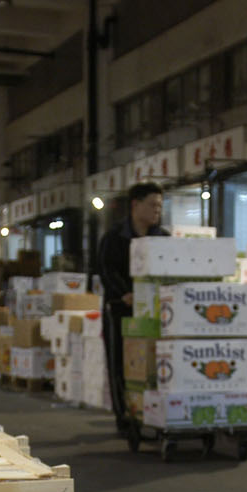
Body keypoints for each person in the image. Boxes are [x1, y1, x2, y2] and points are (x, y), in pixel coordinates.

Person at [95, 182, 169, 432]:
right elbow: (105, 270)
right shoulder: (113, 238)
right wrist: (123, 293)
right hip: (120, 311)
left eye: (160, 205)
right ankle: (125, 417)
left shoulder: (163, 238)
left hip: (156, 314)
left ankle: (153, 414)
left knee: (153, 364)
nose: (157, 210)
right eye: (152, 205)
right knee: (120, 365)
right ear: (135, 205)